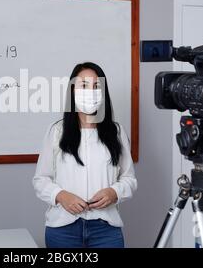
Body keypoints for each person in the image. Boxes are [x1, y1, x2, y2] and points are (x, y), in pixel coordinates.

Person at [32, 62, 137, 248]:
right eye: (84, 85)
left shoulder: (117, 132)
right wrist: (60, 195)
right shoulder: (57, 131)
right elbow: (41, 179)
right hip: (63, 229)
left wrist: (114, 192)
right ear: (72, 91)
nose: (91, 91)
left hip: (106, 230)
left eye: (96, 86)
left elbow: (129, 179)